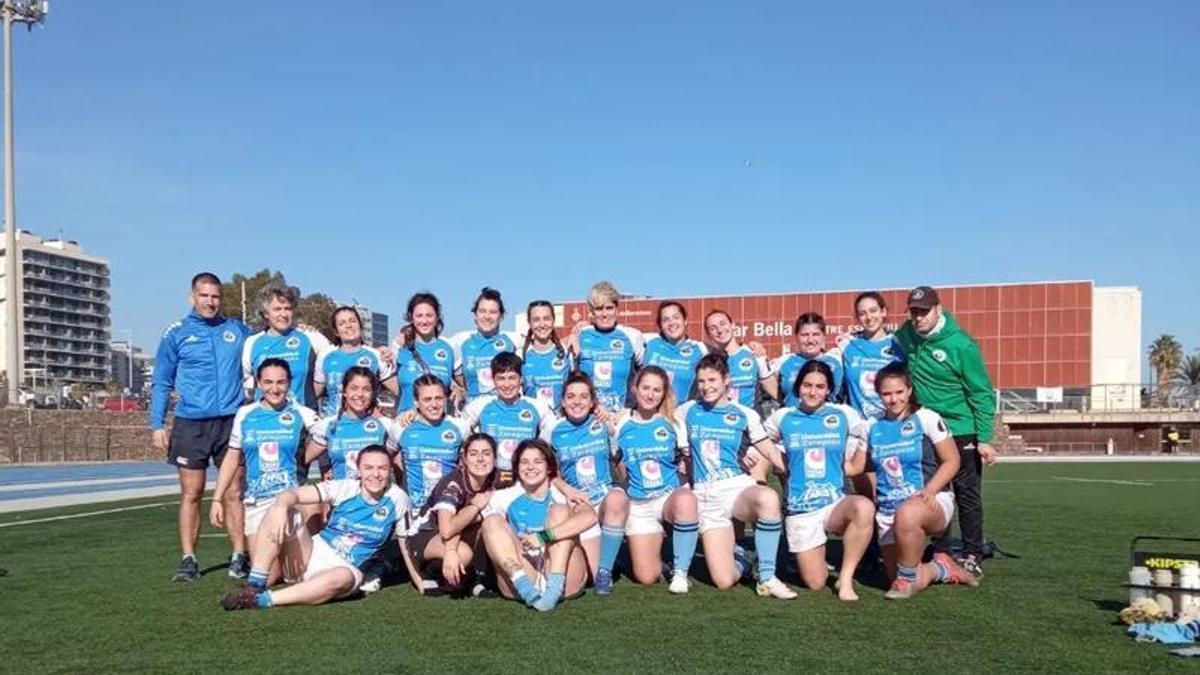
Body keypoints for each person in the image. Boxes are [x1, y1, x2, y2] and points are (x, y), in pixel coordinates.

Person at [220, 445, 411, 610]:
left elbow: (405, 541)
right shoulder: (345, 488)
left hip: (345, 568)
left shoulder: (398, 499)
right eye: (368, 468)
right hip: (310, 552)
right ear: (359, 470)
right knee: (281, 509)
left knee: (342, 577)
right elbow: (291, 495)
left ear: (390, 471)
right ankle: (255, 584)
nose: (375, 474)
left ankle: (260, 600)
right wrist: (280, 506)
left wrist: (418, 581)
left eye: (382, 468)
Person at [150, 272, 251, 582]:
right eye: (204, 295)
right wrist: (156, 424)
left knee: (234, 491)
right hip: (190, 423)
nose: (210, 301)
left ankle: (239, 556)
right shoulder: (176, 333)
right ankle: (189, 559)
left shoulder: (238, 330)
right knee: (191, 493)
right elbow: (162, 381)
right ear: (192, 297)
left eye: (215, 296)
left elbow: (262, 357)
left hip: (231, 422)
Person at [893, 286, 998, 579]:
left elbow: (981, 392)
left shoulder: (961, 345)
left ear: (938, 308)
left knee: (967, 494)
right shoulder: (908, 334)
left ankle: (972, 553)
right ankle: (941, 550)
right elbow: (888, 345)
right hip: (927, 428)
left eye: (924, 311)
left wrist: (985, 437)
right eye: (913, 312)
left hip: (961, 429)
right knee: (935, 492)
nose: (918, 318)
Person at [674, 353, 797, 599]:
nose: (706, 387)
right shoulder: (686, 411)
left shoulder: (744, 414)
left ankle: (768, 576)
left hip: (735, 488)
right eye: (701, 381)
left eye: (712, 380)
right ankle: (743, 558)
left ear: (726, 380)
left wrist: (790, 470)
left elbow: (766, 447)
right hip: (705, 496)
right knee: (724, 580)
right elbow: (670, 434)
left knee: (768, 498)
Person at [763, 360, 874, 601]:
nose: (813, 392)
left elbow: (866, 436)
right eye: (807, 385)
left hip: (834, 503)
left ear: (829, 389)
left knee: (863, 507)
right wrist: (779, 463)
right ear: (798, 387)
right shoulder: (783, 417)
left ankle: (845, 579)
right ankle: (818, 553)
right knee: (815, 582)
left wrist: (856, 456)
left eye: (820, 386)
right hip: (801, 508)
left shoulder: (844, 414)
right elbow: (760, 442)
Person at [866, 363, 977, 600]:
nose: (894, 399)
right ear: (878, 395)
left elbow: (952, 460)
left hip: (929, 500)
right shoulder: (872, 426)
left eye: (899, 392)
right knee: (893, 574)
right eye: (886, 393)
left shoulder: (926, 417)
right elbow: (862, 467)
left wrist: (930, 490)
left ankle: (906, 580)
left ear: (909, 390)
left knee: (907, 516)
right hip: (888, 509)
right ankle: (941, 568)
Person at [210, 358, 319, 586]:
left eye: (281, 382)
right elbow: (232, 456)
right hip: (256, 504)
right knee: (268, 576)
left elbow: (330, 435)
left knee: (296, 577)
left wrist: (307, 457)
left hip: (288, 504)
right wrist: (217, 498)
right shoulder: (245, 414)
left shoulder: (303, 413)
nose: (274, 388)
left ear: (289, 383)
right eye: (268, 382)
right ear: (258, 382)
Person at [480, 439, 596, 611]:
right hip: (525, 570)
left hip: (564, 571)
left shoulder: (565, 494)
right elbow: (481, 527)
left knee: (559, 510)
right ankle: (525, 588)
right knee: (491, 521)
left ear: (549, 467)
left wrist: (543, 537)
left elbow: (590, 517)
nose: (530, 467)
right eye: (524, 462)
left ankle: (554, 588)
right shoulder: (504, 497)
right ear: (517, 468)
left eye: (538, 461)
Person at [612, 366, 699, 594]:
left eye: (657, 390)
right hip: (639, 503)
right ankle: (656, 554)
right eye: (645, 388)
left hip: (667, 497)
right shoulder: (620, 424)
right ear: (634, 389)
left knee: (686, 500)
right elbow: (618, 467)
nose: (650, 395)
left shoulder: (673, 424)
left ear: (664, 393)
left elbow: (687, 462)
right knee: (646, 576)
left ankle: (680, 573)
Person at [540, 372, 630, 594]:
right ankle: (606, 559)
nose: (577, 402)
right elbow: (546, 472)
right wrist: (566, 488)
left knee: (618, 497)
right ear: (562, 401)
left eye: (583, 396)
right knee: (587, 572)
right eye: (570, 396)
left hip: (605, 498)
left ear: (592, 402)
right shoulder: (554, 430)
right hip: (578, 502)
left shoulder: (602, 424)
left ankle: (605, 573)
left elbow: (618, 460)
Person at [403, 433, 498, 596]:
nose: (480, 459)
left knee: (492, 522)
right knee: (463, 554)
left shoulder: (499, 478)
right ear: (465, 459)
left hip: (460, 532)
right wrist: (475, 506)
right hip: (427, 534)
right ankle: (431, 571)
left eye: (486, 453)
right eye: (473, 454)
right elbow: (447, 529)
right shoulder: (453, 483)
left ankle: (478, 579)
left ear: (495, 458)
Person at [460, 352, 558, 484]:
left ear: (521, 379)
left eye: (512, 378)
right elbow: (459, 432)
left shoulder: (537, 406)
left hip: (524, 479)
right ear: (493, 380)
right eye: (501, 378)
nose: (507, 384)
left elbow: (551, 436)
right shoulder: (480, 405)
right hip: (490, 480)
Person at [242, 284, 332, 410]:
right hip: (266, 422)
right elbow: (248, 384)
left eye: (287, 308)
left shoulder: (311, 337)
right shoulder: (252, 343)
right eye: (277, 309)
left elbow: (336, 366)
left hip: (302, 421)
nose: (283, 314)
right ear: (266, 314)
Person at [306, 367, 402, 484]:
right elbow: (301, 460)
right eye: (354, 388)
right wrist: (326, 470)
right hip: (341, 499)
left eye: (366, 389)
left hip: (377, 499)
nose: (360, 394)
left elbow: (400, 462)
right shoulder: (328, 425)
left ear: (373, 394)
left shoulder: (385, 425)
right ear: (344, 391)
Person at [395, 374, 473, 514]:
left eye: (438, 398)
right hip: (414, 510)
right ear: (416, 402)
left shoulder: (460, 426)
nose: (434, 405)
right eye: (427, 399)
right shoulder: (401, 427)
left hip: (448, 508)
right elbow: (387, 456)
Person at [571, 281, 645, 413]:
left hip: (622, 416)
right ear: (592, 311)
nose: (604, 314)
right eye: (599, 309)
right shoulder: (581, 335)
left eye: (609, 308)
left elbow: (645, 372)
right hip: (590, 416)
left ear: (617, 309)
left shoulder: (633, 336)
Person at [313, 306, 398, 419]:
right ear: (336, 332)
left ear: (360, 325)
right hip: (334, 426)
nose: (348, 325)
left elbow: (400, 390)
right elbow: (313, 394)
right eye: (342, 323)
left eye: (352, 321)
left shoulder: (375, 355)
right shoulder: (325, 356)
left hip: (366, 426)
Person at [448, 287, 523, 404]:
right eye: (482, 311)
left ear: (501, 316)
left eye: (493, 312)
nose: (487, 316)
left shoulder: (513, 341)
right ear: (475, 315)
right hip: (474, 415)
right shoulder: (461, 342)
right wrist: (456, 389)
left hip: (505, 413)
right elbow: (454, 377)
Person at [841, 291, 904, 420]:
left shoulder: (899, 344)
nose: (869, 317)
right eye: (862, 313)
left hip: (896, 423)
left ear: (883, 312)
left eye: (873, 310)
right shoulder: (847, 345)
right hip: (861, 428)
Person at [764, 312, 844, 407]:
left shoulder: (837, 359)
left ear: (824, 337)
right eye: (805, 335)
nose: (810, 340)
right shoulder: (784, 362)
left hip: (827, 419)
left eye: (815, 334)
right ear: (796, 337)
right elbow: (766, 380)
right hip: (794, 420)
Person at [393, 292, 456, 412]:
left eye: (429, 315)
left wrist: (457, 393)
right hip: (407, 423)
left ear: (437, 317)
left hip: (438, 424)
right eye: (419, 316)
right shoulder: (400, 348)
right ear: (411, 318)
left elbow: (457, 385)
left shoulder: (448, 349)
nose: (424, 320)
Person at [702, 309, 771, 410]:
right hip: (718, 421)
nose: (719, 330)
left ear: (733, 325)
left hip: (747, 422)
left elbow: (772, 388)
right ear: (708, 335)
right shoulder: (707, 361)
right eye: (713, 328)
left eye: (722, 324)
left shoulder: (754, 354)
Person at [642, 300, 708, 405]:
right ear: (660, 326)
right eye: (665, 320)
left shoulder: (700, 350)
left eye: (676, 317)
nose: (671, 323)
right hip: (650, 415)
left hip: (679, 416)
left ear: (685, 320)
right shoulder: (649, 343)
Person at [521, 300, 574, 410]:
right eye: (536, 320)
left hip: (560, 422)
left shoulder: (566, 352)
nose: (542, 324)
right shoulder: (521, 356)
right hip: (534, 423)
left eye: (546, 318)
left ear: (553, 320)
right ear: (529, 323)